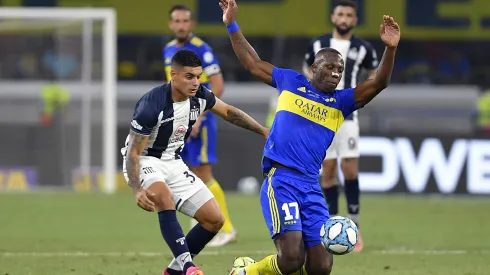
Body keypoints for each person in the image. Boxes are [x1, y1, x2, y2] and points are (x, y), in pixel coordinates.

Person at [218, 0, 400, 274]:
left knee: (321, 267)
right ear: (314, 68)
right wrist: (232, 24)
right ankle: (246, 271)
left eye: (339, 70)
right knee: (292, 259)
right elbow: (253, 63)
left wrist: (390, 48)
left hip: (311, 187)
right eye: (330, 67)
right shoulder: (291, 81)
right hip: (281, 180)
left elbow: (379, 83)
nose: (336, 73)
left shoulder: (341, 102)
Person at [121, 50, 268, 275]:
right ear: (173, 75)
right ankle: (188, 268)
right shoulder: (151, 105)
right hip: (144, 159)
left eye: (198, 76)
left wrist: (264, 131)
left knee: (214, 220)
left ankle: (173, 272)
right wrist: (137, 189)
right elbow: (133, 152)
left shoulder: (200, 96)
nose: (195, 82)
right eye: (189, 76)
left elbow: (229, 112)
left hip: (173, 161)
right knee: (164, 197)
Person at [302, 0, 379, 252]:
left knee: (350, 169)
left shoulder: (364, 48)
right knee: (329, 170)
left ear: (354, 20)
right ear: (333, 17)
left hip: (348, 116)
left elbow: (375, 75)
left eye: (349, 15)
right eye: (340, 14)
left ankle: (354, 228)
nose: (344, 18)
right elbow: (306, 70)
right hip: (322, 115)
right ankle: (331, 226)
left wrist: (361, 95)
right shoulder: (318, 45)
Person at [163, 4, 237, 247]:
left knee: (204, 174)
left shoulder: (201, 49)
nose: (181, 25)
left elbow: (217, 84)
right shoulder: (168, 50)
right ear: (171, 24)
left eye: (185, 21)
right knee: (188, 173)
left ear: (191, 24)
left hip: (200, 122)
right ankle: (203, 219)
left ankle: (225, 227)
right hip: (179, 121)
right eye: (177, 21)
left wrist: (199, 115)